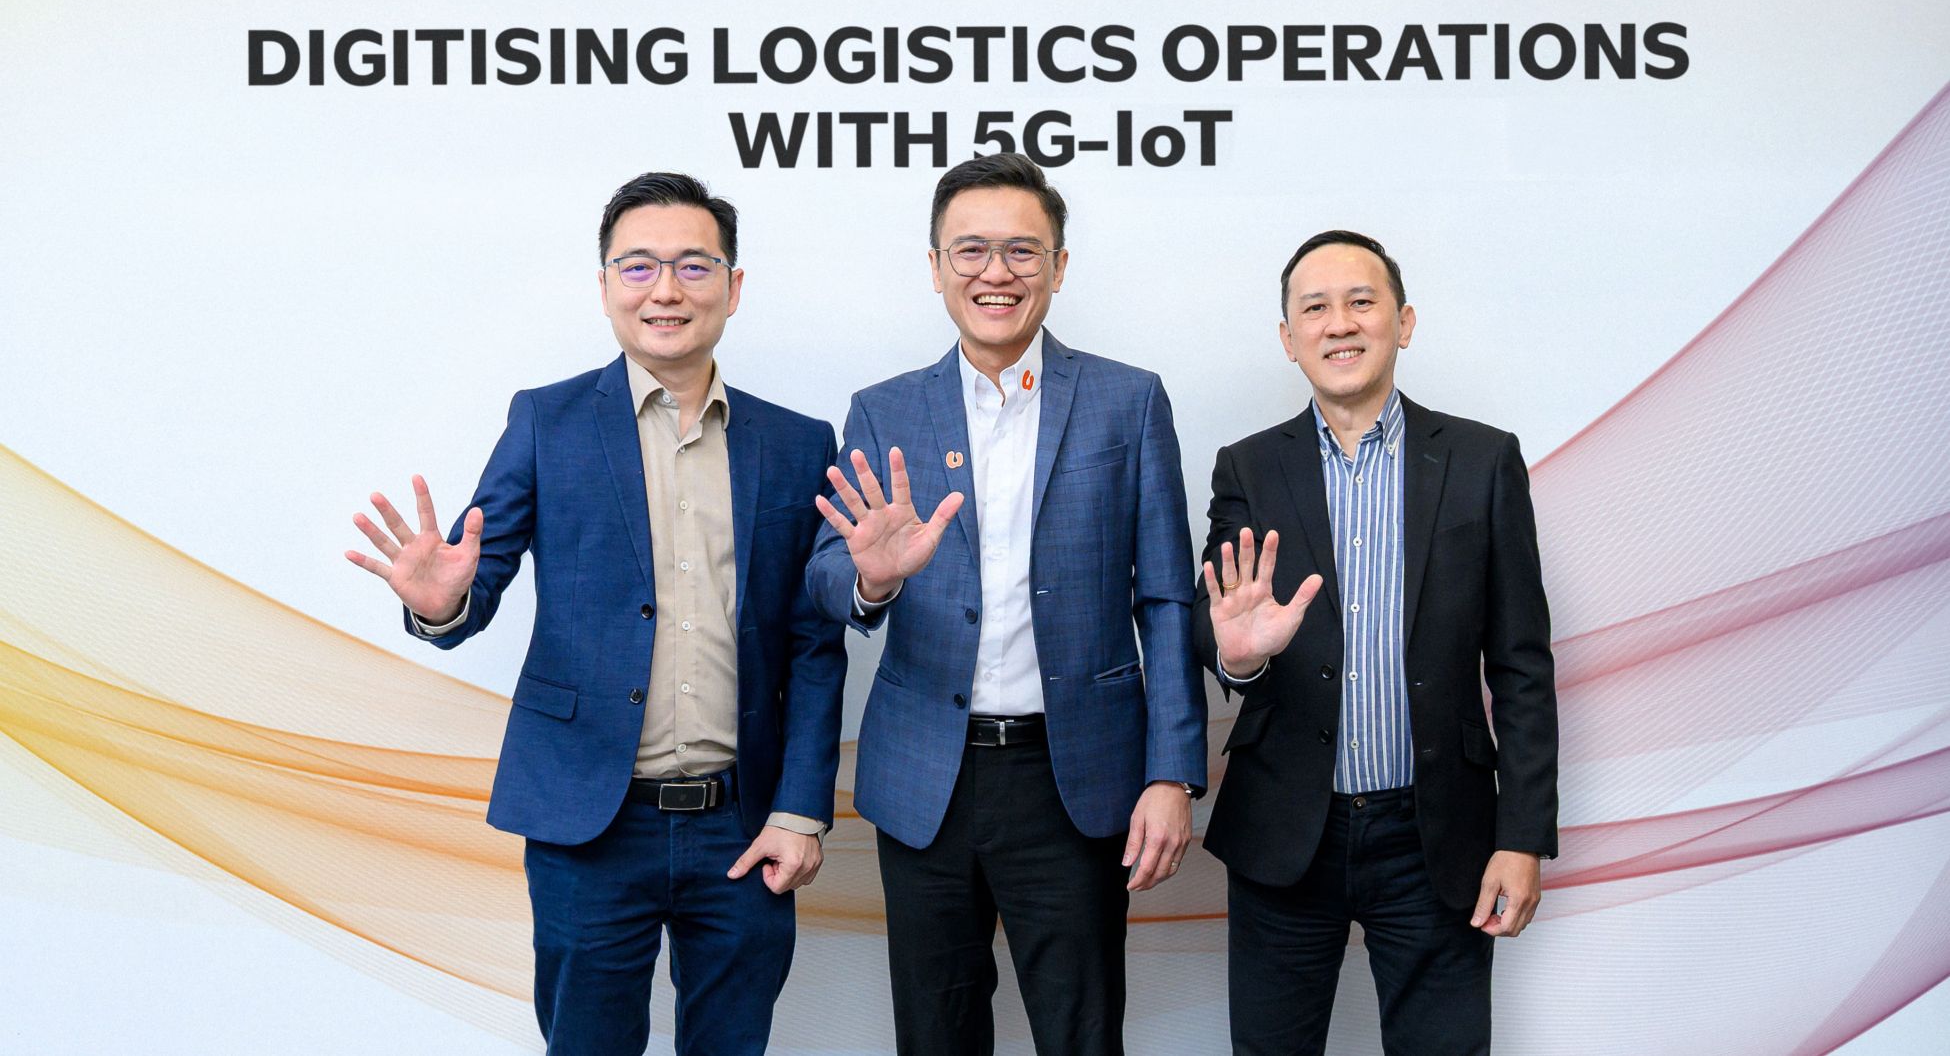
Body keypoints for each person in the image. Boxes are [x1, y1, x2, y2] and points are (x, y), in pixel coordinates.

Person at [342, 172, 844, 1056]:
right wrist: (445, 605)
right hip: (589, 824)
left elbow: (813, 644)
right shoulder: (548, 422)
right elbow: (476, 579)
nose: (666, 289)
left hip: (743, 824)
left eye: (694, 266)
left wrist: (800, 811)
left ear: (733, 287)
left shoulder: (799, 443)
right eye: (639, 265)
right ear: (606, 284)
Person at [805, 152, 1207, 1056]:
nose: (997, 273)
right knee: (936, 1036)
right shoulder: (883, 409)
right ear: (936, 265)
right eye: (971, 250)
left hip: (1077, 777)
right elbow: (827, 577)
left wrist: (1171, 773)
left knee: (1082, 1035)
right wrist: (874, 578)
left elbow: (1166, 600)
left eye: (1023, 251)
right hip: (926, 779)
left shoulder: (1128, 401)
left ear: (1058, 266)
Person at [1193, 230, 1558, 1056]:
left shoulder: (1481, 460)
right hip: (1286, 827)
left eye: (1361, 302)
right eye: (1315, 308)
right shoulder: (1248, 468)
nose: (1340, 323)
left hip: (1438, 832)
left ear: (1404, 321)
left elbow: (1522, 667)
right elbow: (1211, 625)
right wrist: (1240, 655)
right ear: (1288, 338)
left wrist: (1522, 835)